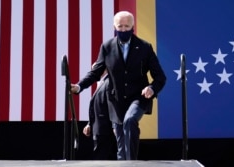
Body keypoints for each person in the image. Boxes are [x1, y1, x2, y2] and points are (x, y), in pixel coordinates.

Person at [71, 11, 166, 160]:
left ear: (133, 27)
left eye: (126, 26)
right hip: (116, 101)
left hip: (138, 97)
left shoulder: (144, 47)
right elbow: (96, 73)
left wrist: (152, 88)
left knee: (130, 120)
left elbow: (160, 77)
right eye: (119, 26)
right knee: (121, 144)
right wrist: (79, 86)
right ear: (114, 27)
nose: (123, 30)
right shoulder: (107, 47)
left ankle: (132, 163)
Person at [82, 66, 117, 160]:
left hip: (106, 130)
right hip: (99, 129)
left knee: (103, 160)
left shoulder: (110, 82)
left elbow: (112, 105)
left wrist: (114, 125)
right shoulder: (101, 82)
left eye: (95, 69)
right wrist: (90, 124)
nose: (93, 72)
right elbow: (97, 106)